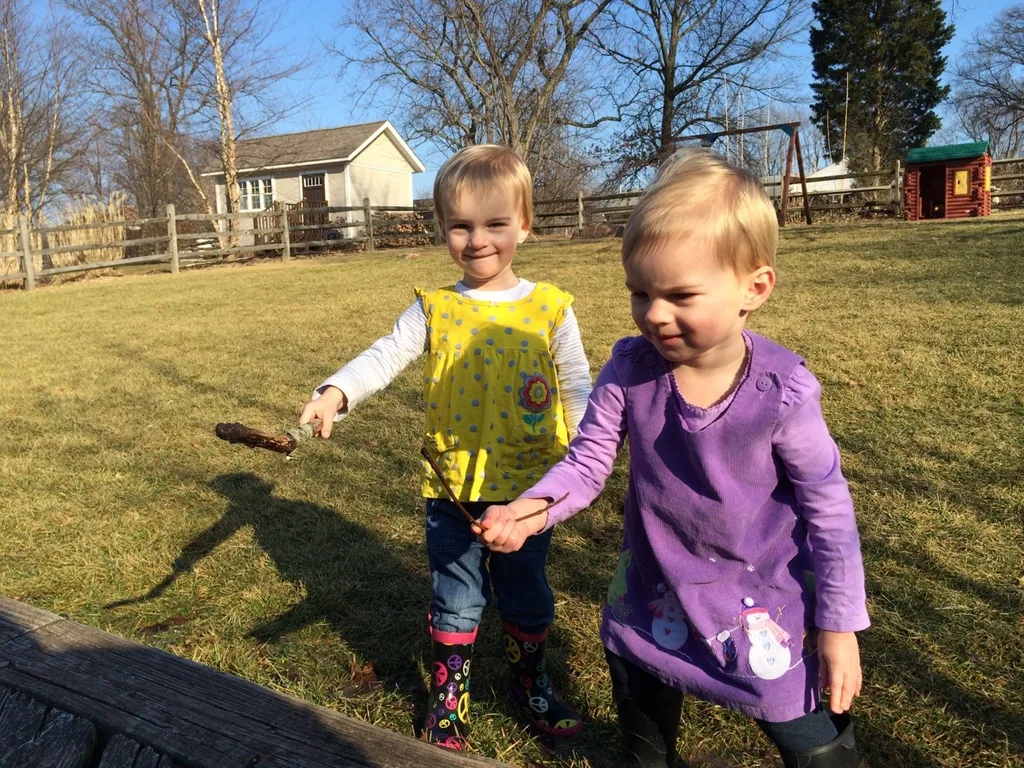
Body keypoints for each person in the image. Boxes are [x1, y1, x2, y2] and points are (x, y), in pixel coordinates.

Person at [476, 149, 869, 767]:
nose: (655, 314)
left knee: (811, 739)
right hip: (651, 595)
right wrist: (530, 510)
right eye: (640, 292)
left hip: (762, 601)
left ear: (754, 288)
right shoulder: (629, 370)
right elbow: (586, 463)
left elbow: (829, 509)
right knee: (643, 737)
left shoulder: (782, 391)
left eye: (680, 294)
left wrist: (839, 625)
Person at [298, 144, 592, 751]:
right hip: (451, 490)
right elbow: (385, 355)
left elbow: (579, 390)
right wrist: (336, 392)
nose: (477, 239)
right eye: (460, 225)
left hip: (531, 491)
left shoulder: (551, 308)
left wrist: (580, 465)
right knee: (456, 595)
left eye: (495, 224)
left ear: (525, 225)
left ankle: (528, 682)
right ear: (441, 229)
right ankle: (449, 696)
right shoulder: (434, 308)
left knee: (528, 590)